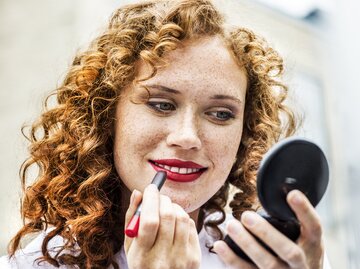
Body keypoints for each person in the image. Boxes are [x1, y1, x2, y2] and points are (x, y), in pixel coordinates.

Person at [0, 0, 332, 268]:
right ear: (105, 117)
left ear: (245, 135)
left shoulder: (277, 260)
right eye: (161, 104)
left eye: (220, 114)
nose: (187, 137)